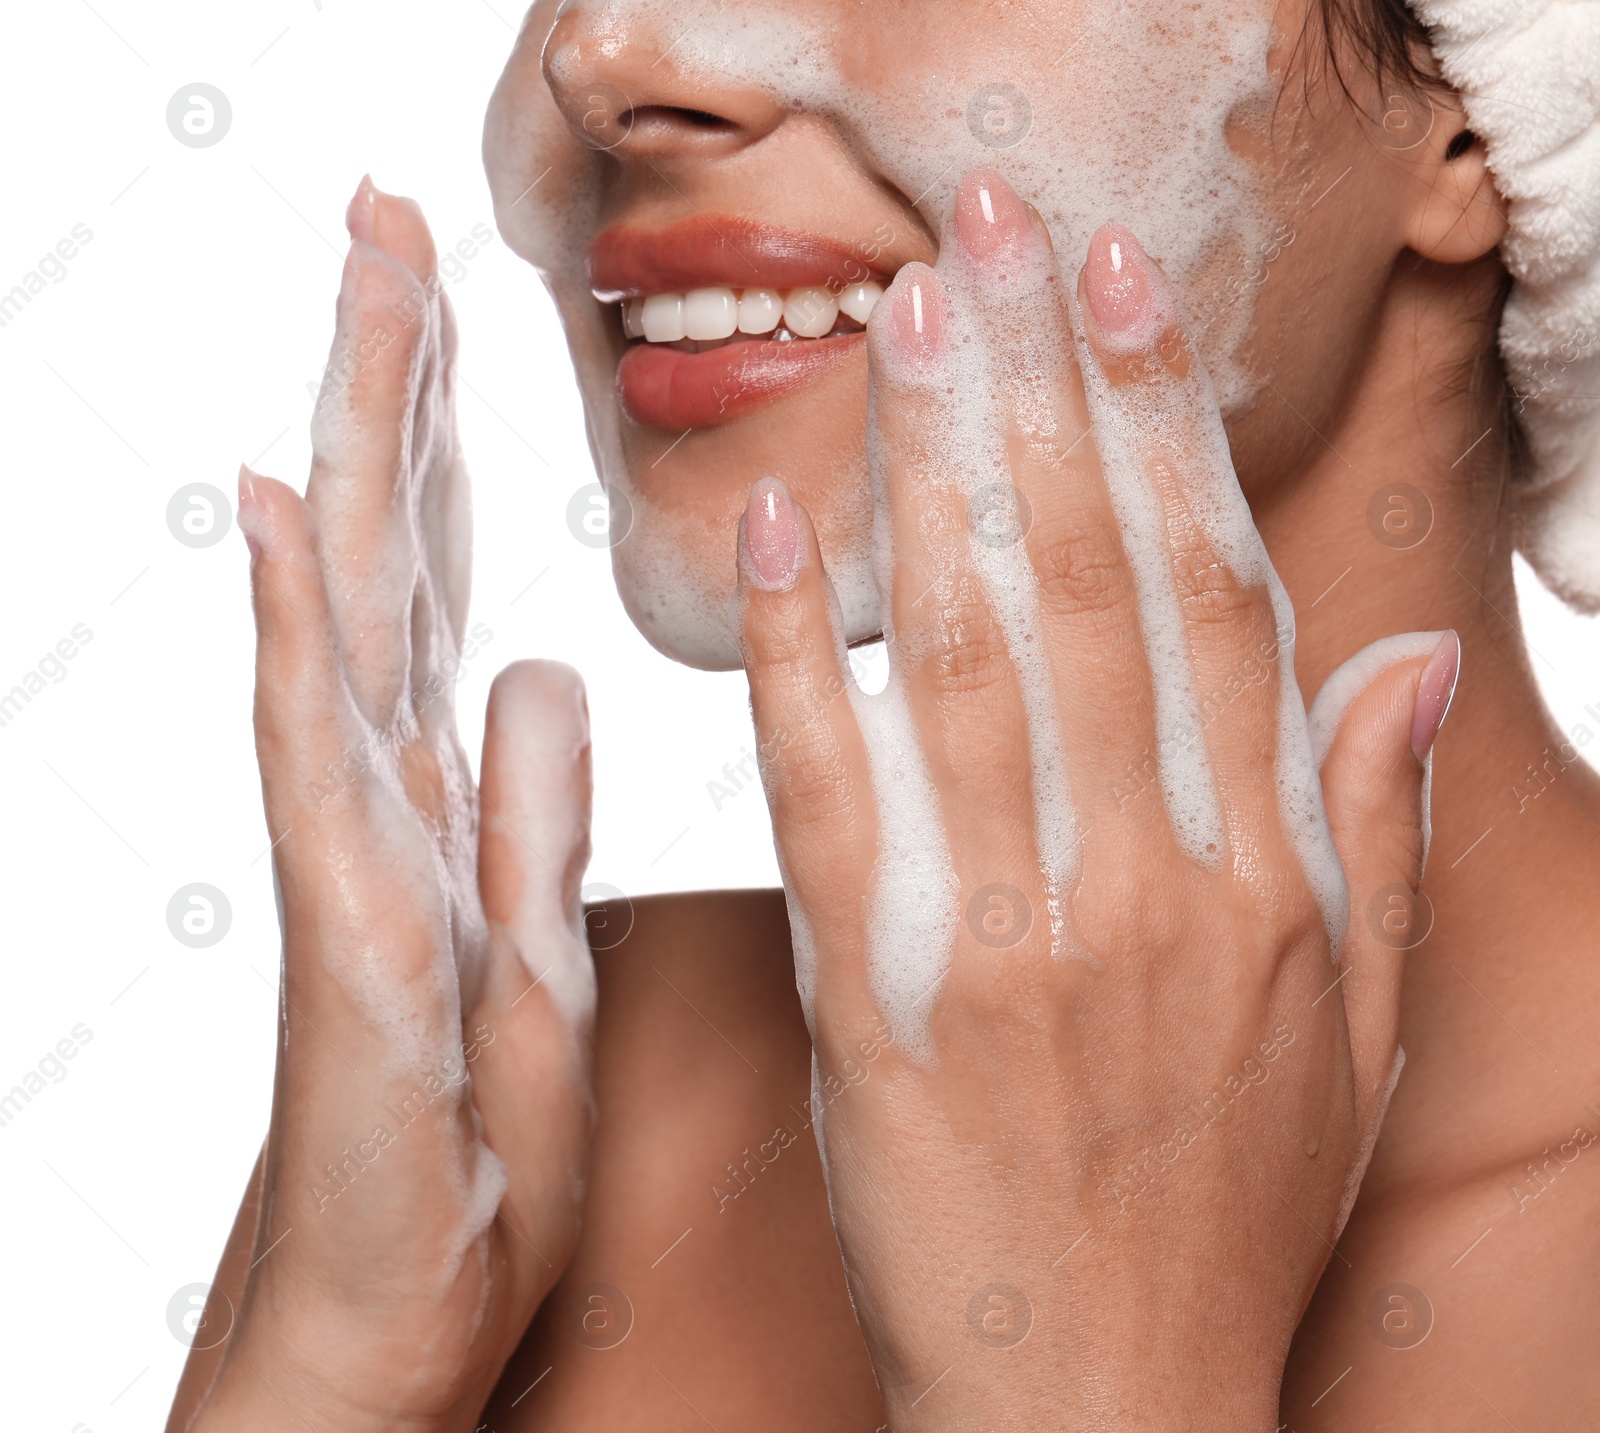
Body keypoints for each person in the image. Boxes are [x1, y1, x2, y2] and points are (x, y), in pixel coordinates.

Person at [168, 0, 1600, 1428]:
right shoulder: (522, 1151)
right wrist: (330, 1381)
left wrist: (1084, 1384)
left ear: (1466, 125)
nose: (602, 56)